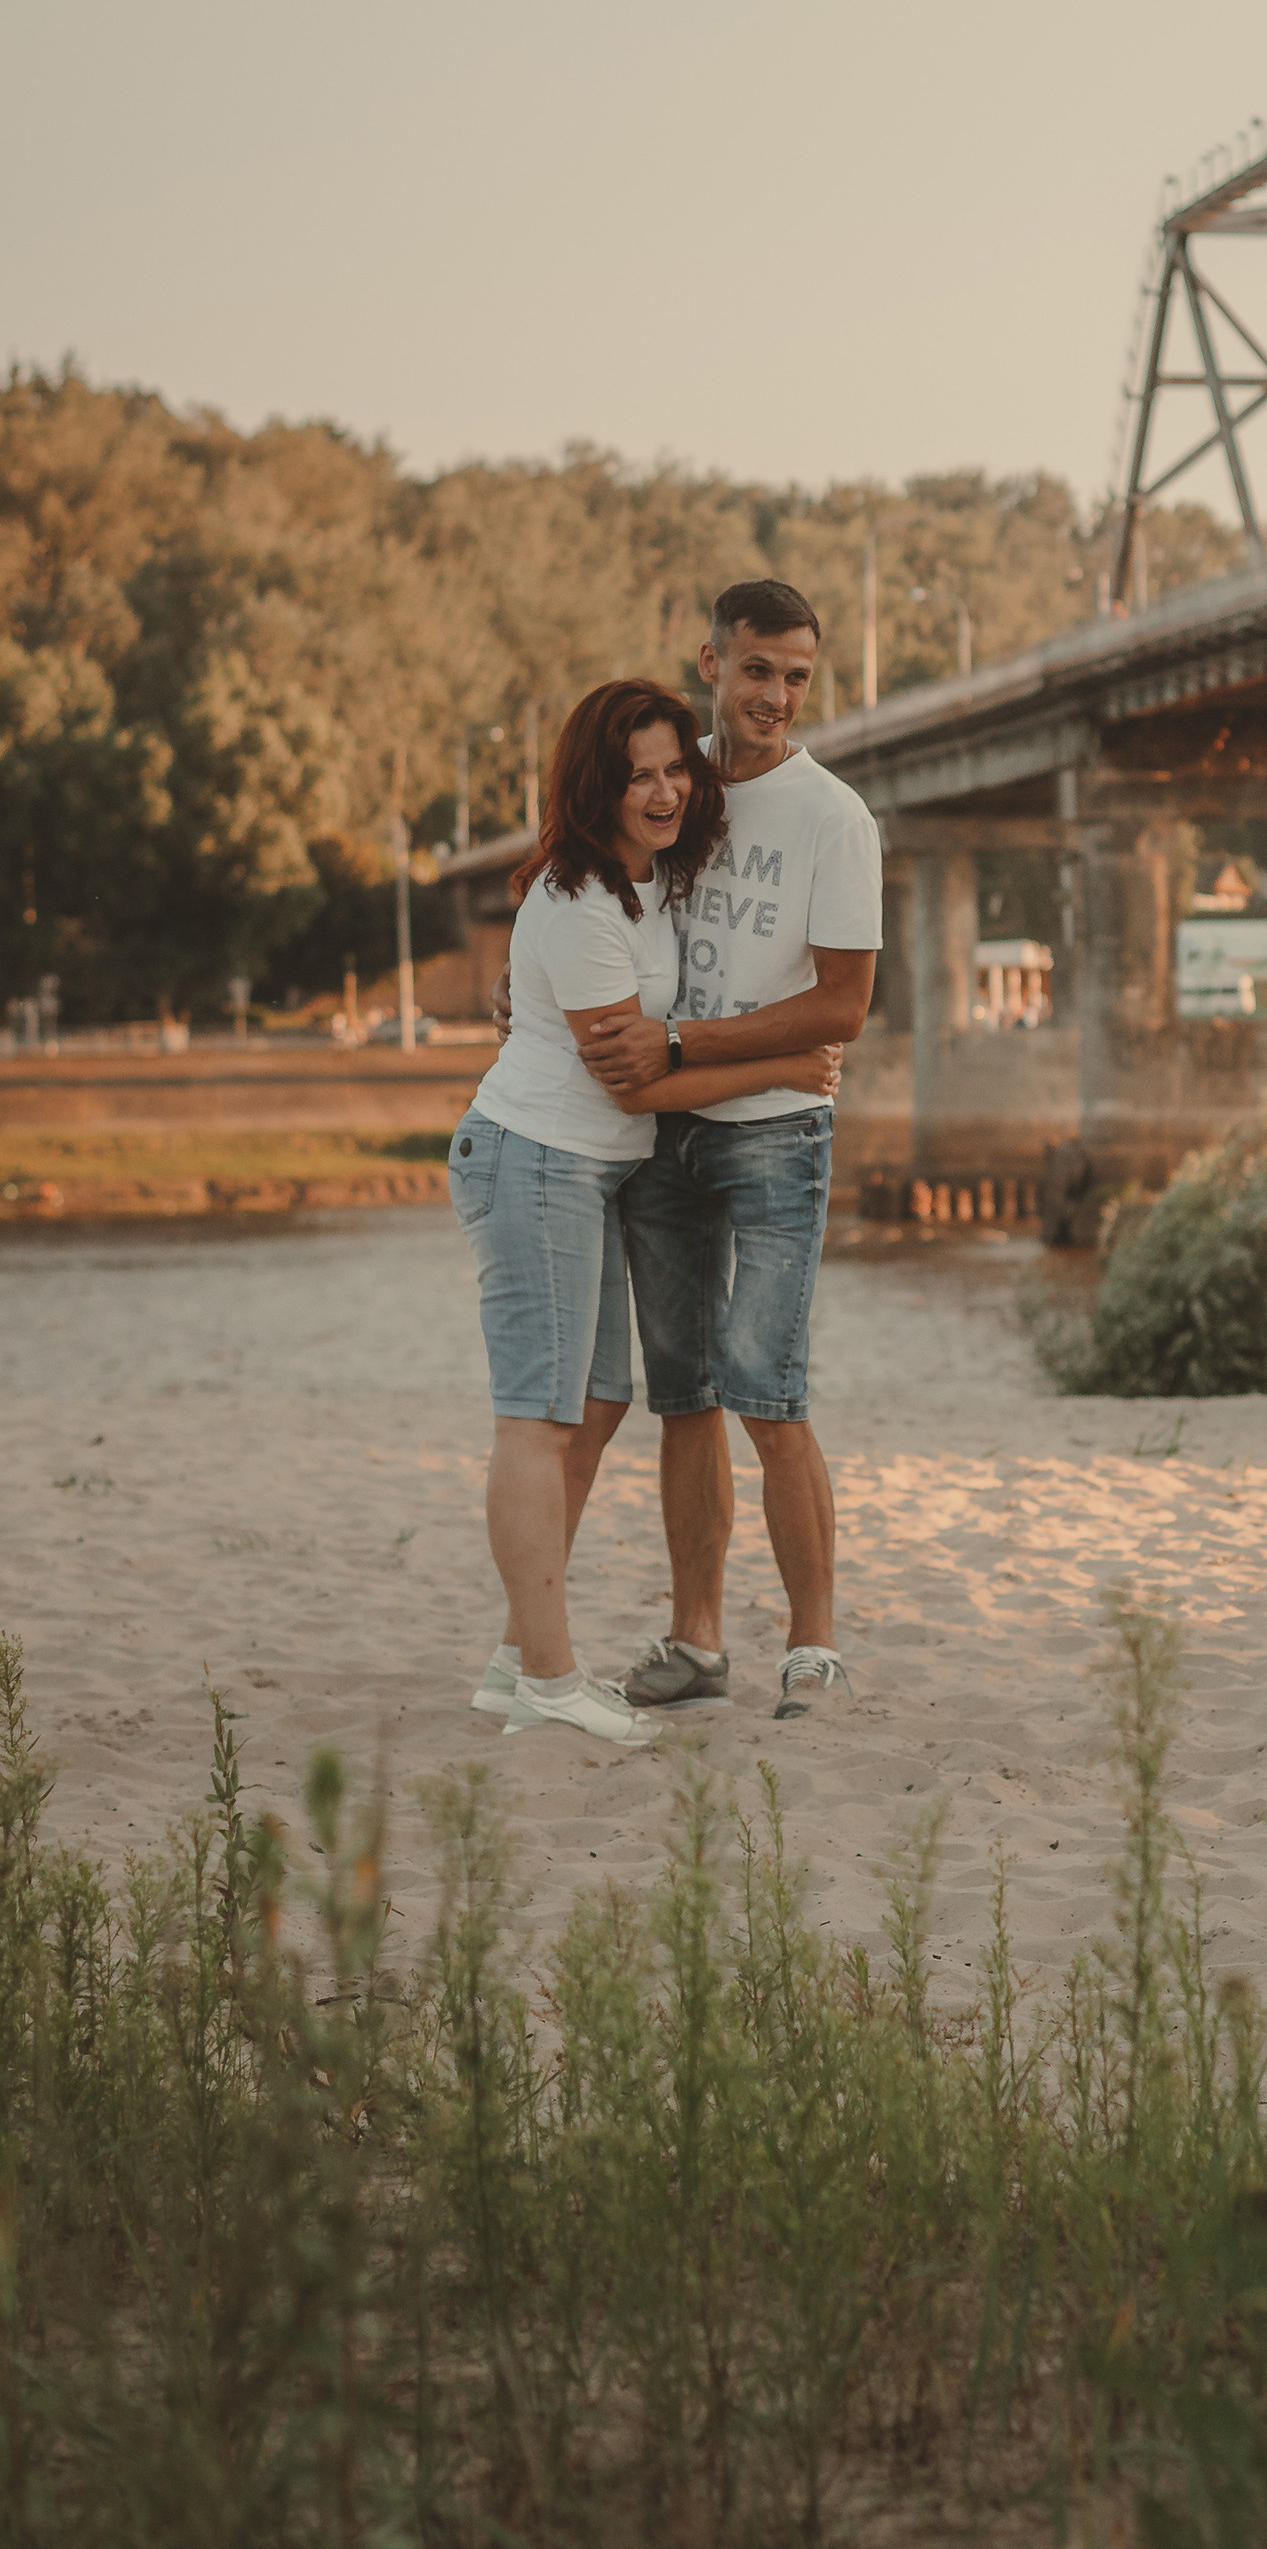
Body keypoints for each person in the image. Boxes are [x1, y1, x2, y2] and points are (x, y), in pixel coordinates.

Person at [451, 681, 846, 1745]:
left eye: (677, 769)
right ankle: (548, 1679)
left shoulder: (648, 879)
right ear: (599, 787)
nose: (665, 791)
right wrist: (784, 1067)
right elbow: (632, 1083)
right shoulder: (584, 901)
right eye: (639, 777)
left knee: (593, 1407)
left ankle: (513, 1663)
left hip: (586, 1172)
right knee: (540, 1419)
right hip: (538, 1159)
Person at [549, 578, 881, 1722]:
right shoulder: (664, 783)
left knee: (768, 1393)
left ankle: (813, 1647)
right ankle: (696, 1642)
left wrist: (684, 1038)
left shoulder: (834, 818)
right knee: (683, 1393)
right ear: (711, 663)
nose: (775, 695)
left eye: (796, 676)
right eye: (757, 671)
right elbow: (574, 874)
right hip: (655, 1130)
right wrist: (526, 983)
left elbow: (842, 1007)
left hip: (775, 1132)